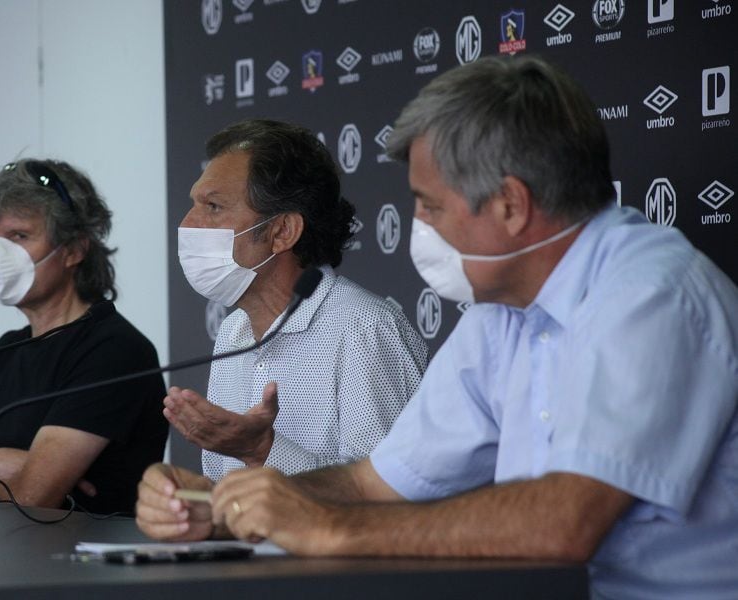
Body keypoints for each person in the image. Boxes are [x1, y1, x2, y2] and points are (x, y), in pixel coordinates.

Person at [138, 57, 738, 598]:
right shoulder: (501, 313)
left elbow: (565, 524)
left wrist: (328, 529)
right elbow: (378, 482)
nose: (417, 227)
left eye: (431, 206)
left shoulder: (650, 295)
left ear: (509, 204)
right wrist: (221, 508)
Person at [140, 119, 427, 527]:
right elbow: (236, 508)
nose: (187, 224)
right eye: (194, 204)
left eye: (213, 207)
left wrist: (263, 452)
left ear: (281, 232)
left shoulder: (364, 327)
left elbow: (397, 502)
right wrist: (186, 504)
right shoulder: (233, 333)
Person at [0, 159, 168, 515]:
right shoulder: (9, 348)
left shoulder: (113, 348)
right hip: (5, 558)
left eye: (20, 236)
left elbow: (33, 500)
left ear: (73, 250)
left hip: (86, 564)